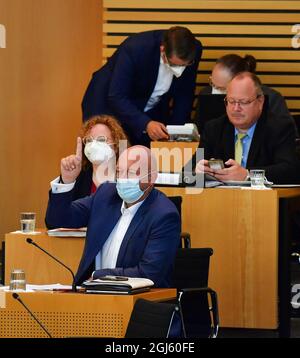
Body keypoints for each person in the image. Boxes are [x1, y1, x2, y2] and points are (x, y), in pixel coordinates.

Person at [45, 145, 181, 287]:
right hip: (91, 296)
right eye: (119, 172)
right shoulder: (105, 194)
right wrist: (67, 181)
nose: (123, 179)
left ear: (152, 177)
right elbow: (57, 219)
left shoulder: (164, 215)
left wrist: (98, 276)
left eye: (131, 172)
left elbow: (149, 273)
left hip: (137, 300)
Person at [82, 26, 202, 146]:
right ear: (162, 50)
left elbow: (185, 93)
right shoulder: (135, 48)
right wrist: (145, 123)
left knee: (145, 156)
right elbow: (117, 97)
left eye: (185, 65)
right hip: (107, 103)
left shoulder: (194, 50)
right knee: (109, 154)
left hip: (149, 106)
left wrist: (177, 134)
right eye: (174, 65)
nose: (180, 70)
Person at [192, 72, 300, 184]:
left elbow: (290, 170)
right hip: (220, 198)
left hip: (262, 199)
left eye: (243, 102)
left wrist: (247, 174)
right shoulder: (213, 128)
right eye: (231, 101)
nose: (236, 108)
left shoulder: (279, 128)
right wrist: (197, 170)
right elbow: (188, 169)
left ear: (260, 101)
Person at [195, 54, 295, 131]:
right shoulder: (205, 94)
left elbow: (289, 139)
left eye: (221, 89)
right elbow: (200, 141)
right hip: (218, 156)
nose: (214, 90)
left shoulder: (273, 99)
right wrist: (199, 158)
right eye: (212, 83)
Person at [59, 114, 128, 200]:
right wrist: (66, 182)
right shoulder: (77, 176)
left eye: (101, 139)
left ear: (116, 146)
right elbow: (58, 211)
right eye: (89, 140)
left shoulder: (127, 178)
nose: (94, 145)